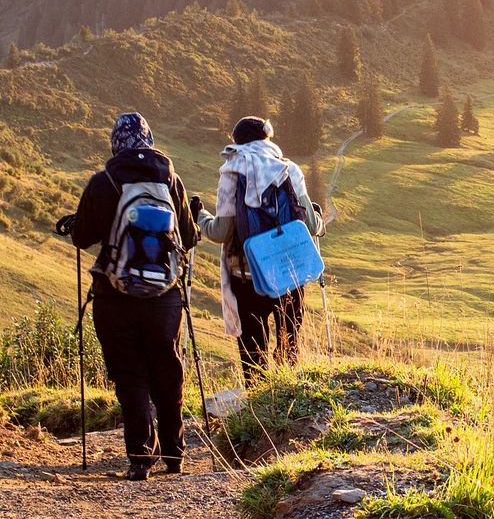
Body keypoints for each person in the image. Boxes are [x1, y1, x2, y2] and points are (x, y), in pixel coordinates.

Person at [71, 112, 197, 481]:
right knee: (167, 370)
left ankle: (141, 457)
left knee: (130, 374)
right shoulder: (171, 179)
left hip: (114, 295)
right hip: (165, 296)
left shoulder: (103, 181)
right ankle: (175, 454)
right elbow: (188, 239)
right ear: (149, 139)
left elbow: (81, 237)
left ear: (115, 143)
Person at [197, 116, 324, 384]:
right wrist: (318, 217)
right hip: (290, 274)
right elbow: (310, 226)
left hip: (247, 276)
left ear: (237, 142)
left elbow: (221, 232)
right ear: (268, 138)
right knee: (289, 349)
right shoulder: (289, 169)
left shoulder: (231, 173)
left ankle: (257, 410)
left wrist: (200, 217)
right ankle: (288, 410)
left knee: (253, 355)